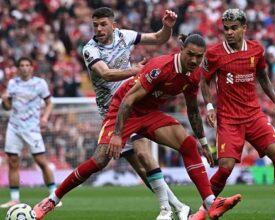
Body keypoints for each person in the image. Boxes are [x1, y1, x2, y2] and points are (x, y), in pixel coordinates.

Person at [34, 33, 241, 220]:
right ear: (182, 50)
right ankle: (51, 200)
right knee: (100, 160)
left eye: (199, 56)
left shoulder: (194, 74)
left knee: (188, 145)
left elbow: (193, 110)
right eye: (191, 55)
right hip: (125, 109)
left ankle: (210, 203)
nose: (195, 60)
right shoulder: (159, 67)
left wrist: (204, 142)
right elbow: (127, 100)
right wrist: (117, 135)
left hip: (150, 113)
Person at [33, 7, 190, 220]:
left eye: (103, 24)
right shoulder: (90, 49)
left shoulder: (124, 36)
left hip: (132, 104)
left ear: (113, 25)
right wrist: (136, 70)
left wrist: (166, 27)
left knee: (144, 154)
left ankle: (52, 200)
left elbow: (158, 38)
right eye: (95, 25)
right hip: (111, 111)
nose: (98, 28)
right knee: (108, 162)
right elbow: (106, 74)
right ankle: (179, 207)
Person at [190, 9, 275, 220]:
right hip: (229, 119)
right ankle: (203, 211)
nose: (229, 32)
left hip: (254, 116)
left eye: (234, 28)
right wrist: (210, 107)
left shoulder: (256, 50)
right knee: (226, 167)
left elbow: (263, 77)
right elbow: (204, 81)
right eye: (226, 29)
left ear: (243, 28)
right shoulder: (214, 53)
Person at [0, 57, 61, 208]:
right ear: (18, 68)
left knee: (41, 161)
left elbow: (49, 102)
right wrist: (5, 100)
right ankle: (15, 199)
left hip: (32, 128)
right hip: (14, 127)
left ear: (32, 68)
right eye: (22, 65)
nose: (25, 68)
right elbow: (7, 107)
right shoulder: (13, 83)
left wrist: (45, 118)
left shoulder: (40, 83)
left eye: (27, 65)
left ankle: (54, 196)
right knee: (13, 162)